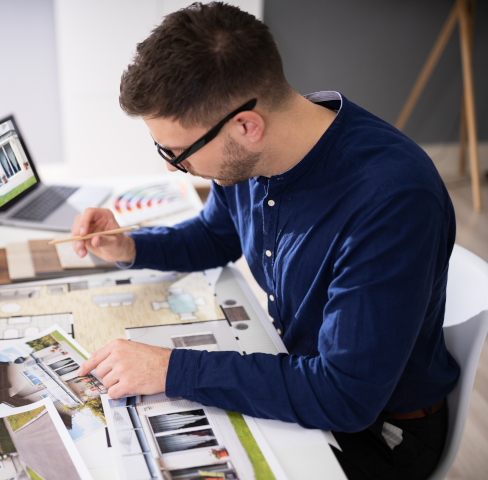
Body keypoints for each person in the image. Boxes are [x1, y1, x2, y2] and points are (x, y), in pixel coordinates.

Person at [71, 3, 459, 479]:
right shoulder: (251, 156)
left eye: (178, 153)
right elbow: (216, 234)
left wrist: (172, 370)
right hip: (301, 383)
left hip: (378, 433)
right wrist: (130, 247)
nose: (172, 167)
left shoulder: (390, 197)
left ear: (246, 127)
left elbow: (345, 396)